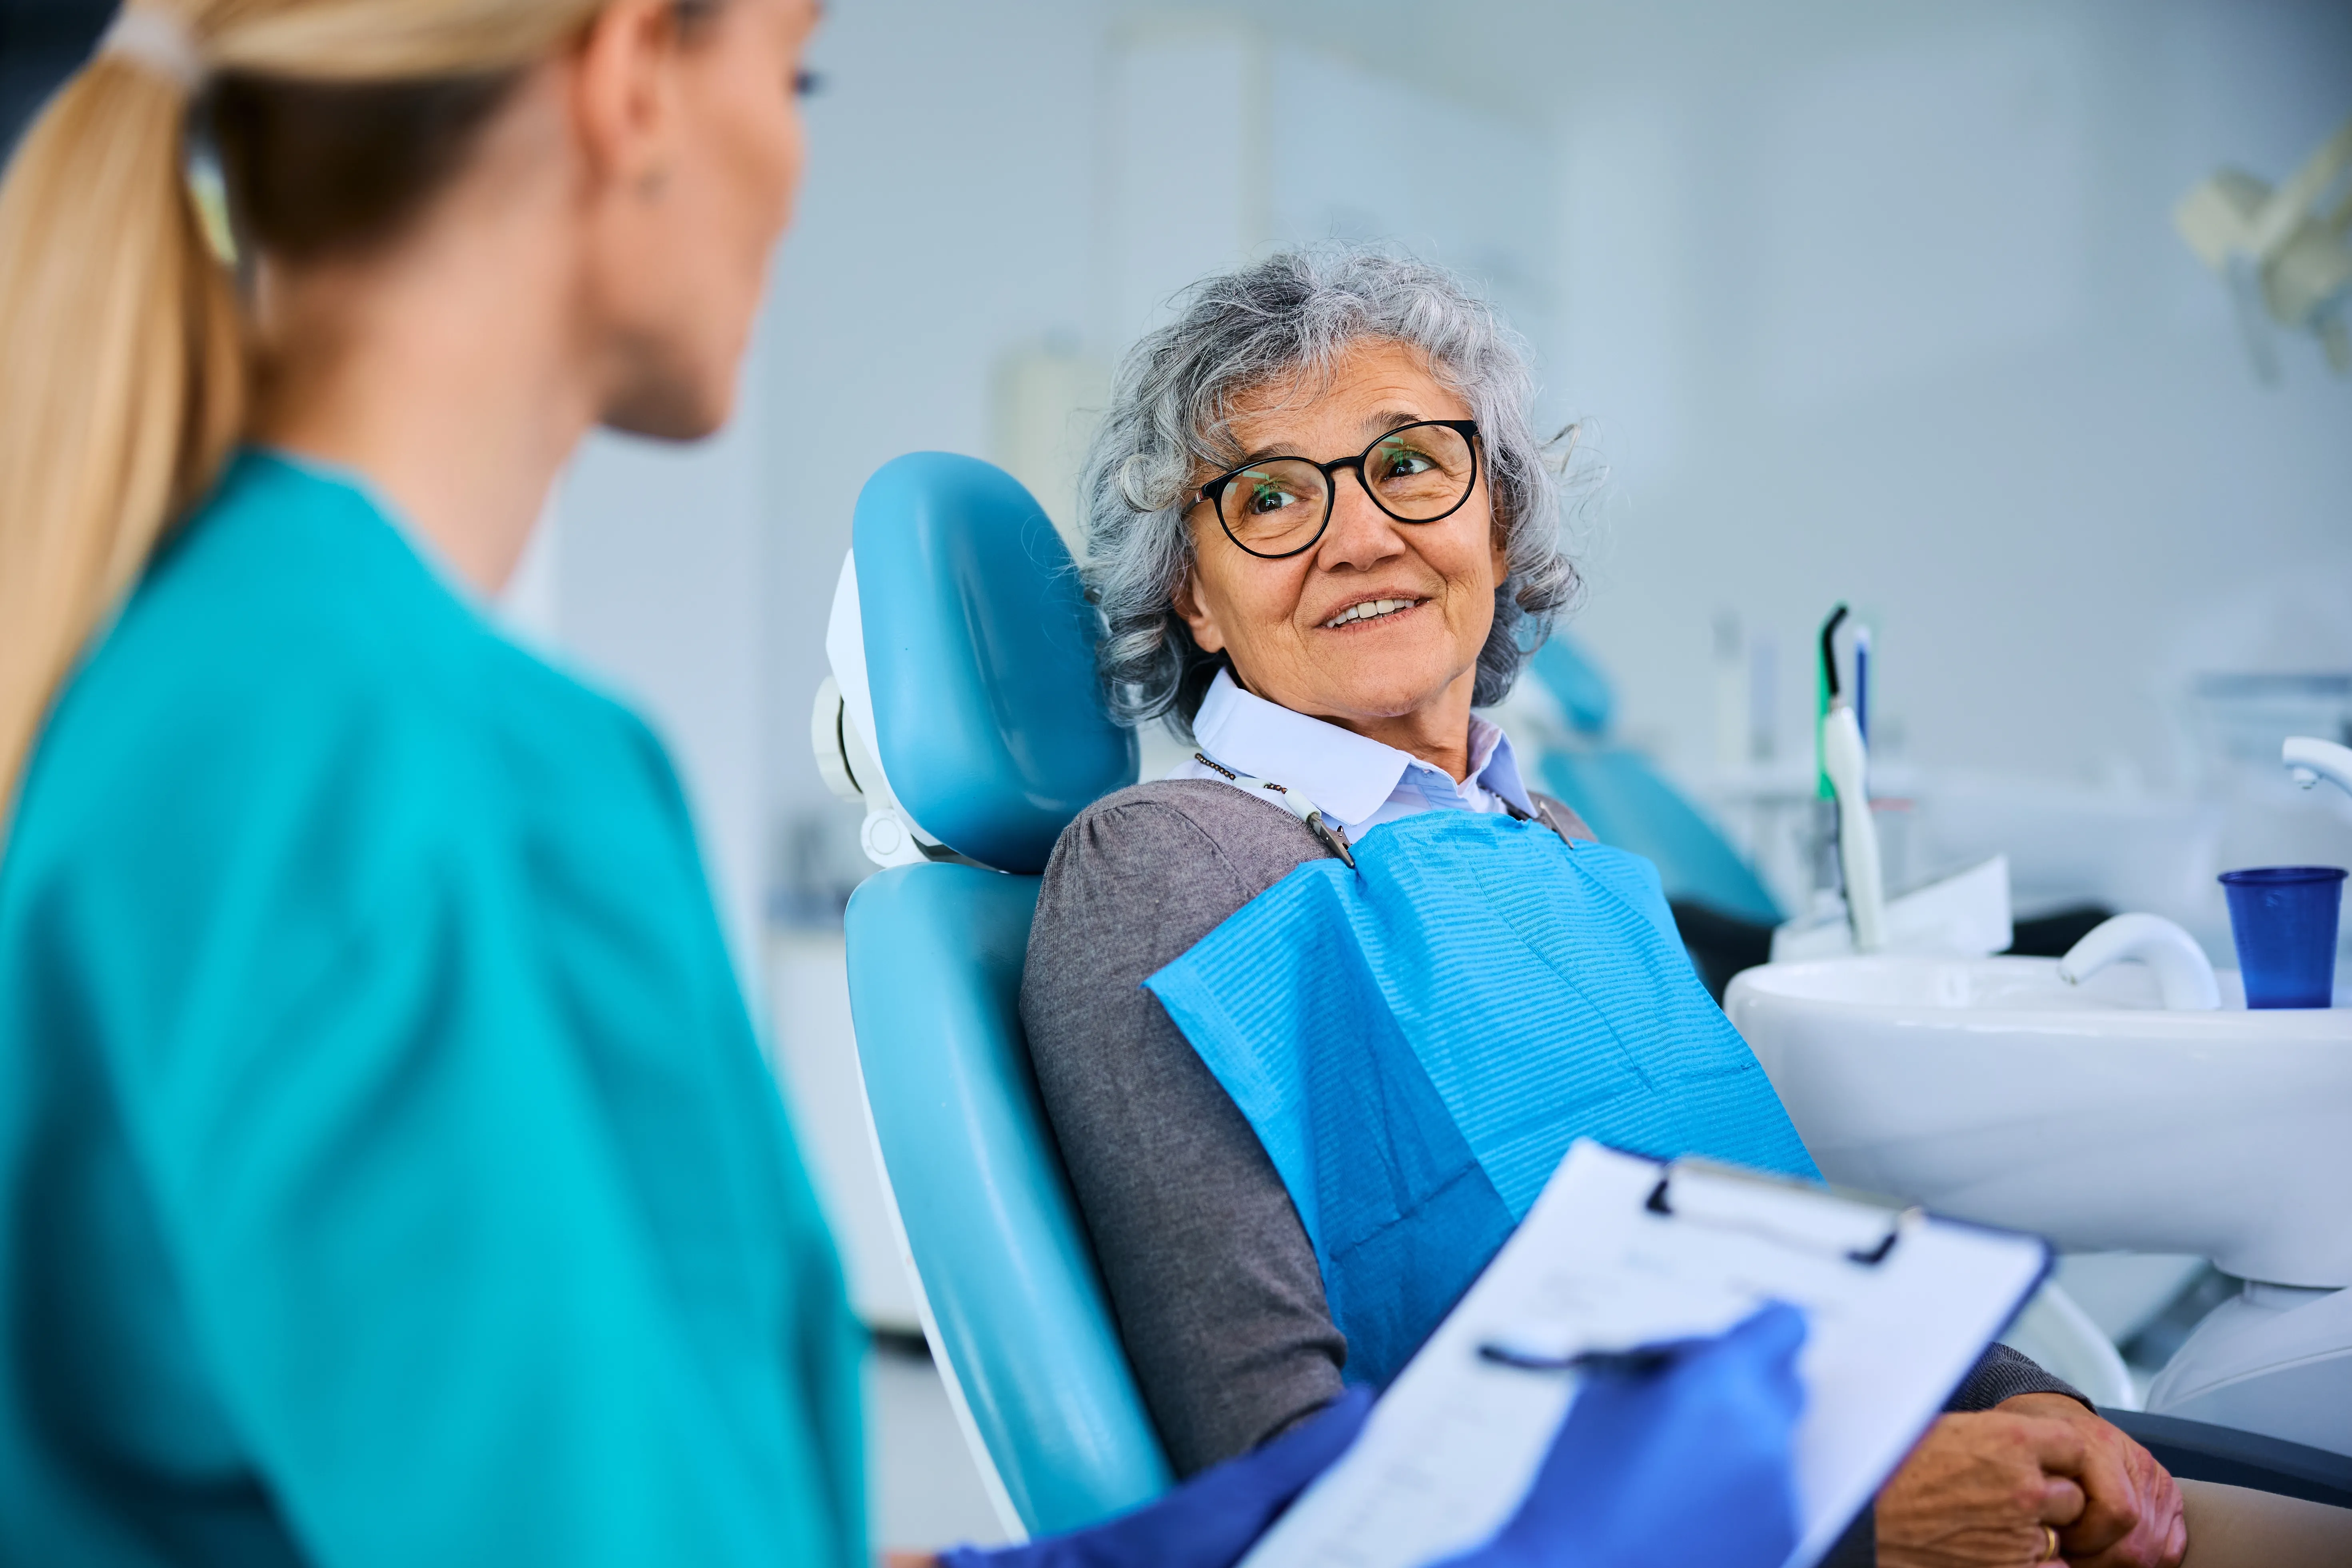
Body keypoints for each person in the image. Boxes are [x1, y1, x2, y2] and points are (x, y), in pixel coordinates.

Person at [0, 4, 1848, 1567]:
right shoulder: (427, 771)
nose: (795, 179)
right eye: (793, 81)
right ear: (636, 77)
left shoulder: (220, 690)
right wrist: (1777, 1491)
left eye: (1413, 471)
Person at [1021, 247, 2352, 1568]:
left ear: (1497, 516)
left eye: (1411, 463)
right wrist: (1842, 1524)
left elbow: (1785, 1239)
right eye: (1267, 497)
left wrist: (2027, 1404)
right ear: (1192, 593)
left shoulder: (1555, 842)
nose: (1361, 533)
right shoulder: (1163, 868)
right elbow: (1282, 1489)